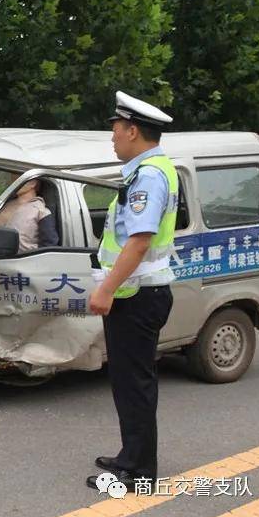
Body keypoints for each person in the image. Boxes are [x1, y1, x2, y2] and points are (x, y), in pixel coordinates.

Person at [87, 91, 178, 491]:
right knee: (129, 382)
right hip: (138, 294)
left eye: (116, 130)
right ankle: (131, 457)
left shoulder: (150, 176)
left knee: (135, 384)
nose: (112, 138)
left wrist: (105, 289)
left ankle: (139, 474)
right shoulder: (148, 171)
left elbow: (139, 241)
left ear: (133, 130)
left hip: (138, 296)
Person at [0, 178, 59, 251]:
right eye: (13, 179)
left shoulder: (41, 211)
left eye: (19, 179)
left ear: (33, 183)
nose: (14, 182)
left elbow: (49, 246)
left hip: (23, 259)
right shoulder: (4, 204)